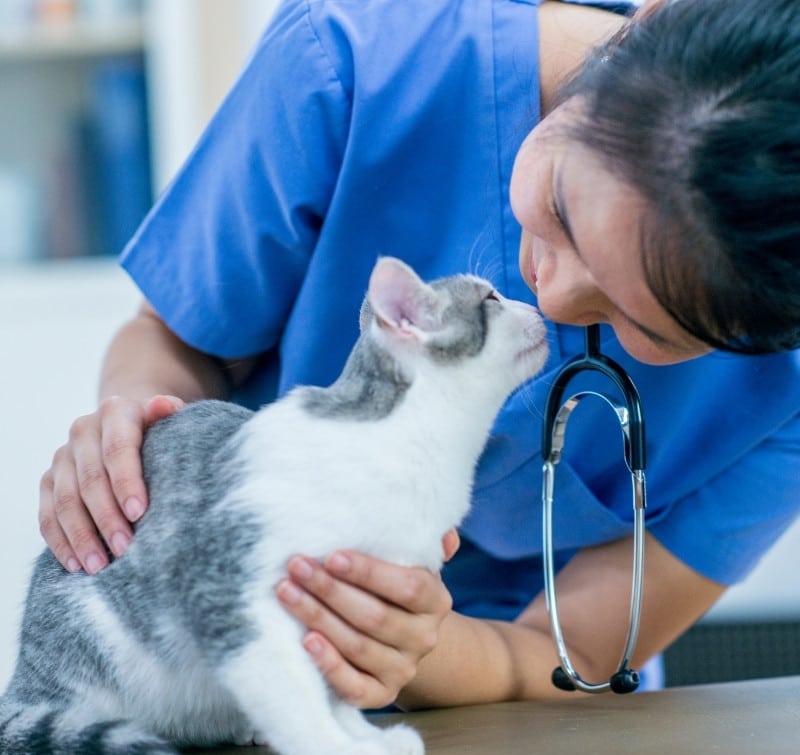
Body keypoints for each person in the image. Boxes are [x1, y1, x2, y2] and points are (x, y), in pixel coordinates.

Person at [38, 0, 800, 709]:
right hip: (234, 631)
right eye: (563, 205)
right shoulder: (354, 59)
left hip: (533, 725)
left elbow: (568, 655)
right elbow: (174, 338)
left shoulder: (785, 390)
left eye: (649, 327)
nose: (554, 295)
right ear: (645, 22)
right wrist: (139, 435)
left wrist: (411, 644)